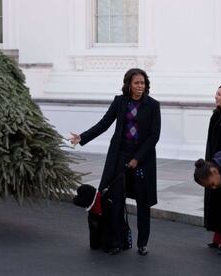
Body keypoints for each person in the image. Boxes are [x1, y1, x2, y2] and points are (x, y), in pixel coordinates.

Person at [70, 68, 161, 256]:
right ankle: (117, 241)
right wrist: (83, 137)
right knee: (115, 200)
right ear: (128, 84)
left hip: (142, 159)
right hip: (120, 155)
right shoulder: (120, 102)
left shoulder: (153, 105)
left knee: (143, 203)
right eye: (136, 83)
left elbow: (154, 136)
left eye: (142, 83)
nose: (140, 86)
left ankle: (142, 243)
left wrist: (137, 158)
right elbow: (104, 123)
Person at [204, 85, 221, 250]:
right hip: (213, 163)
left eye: (220, 94)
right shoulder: (216, 116)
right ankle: (217, 236)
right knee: (215, 201)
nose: (216, 96)